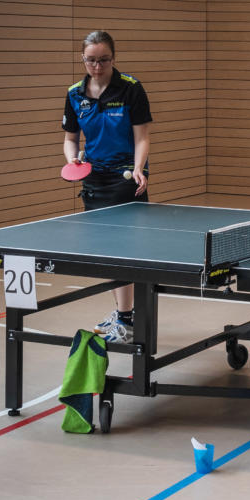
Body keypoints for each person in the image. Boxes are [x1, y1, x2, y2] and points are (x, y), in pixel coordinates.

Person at [61, 31, 152, 344]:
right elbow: (70, 138)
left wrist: (139, 168)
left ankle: (126, 320)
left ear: (113, 58)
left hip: (126, 180)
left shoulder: (130, 88)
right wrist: (73, 159)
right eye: (91, 60)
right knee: (105, 252)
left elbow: (142, 136)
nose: (97, 67)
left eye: (104, 60)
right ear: (82, 59)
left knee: (122, 251)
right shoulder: (75, 94)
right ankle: (124, 312)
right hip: (94, 180)